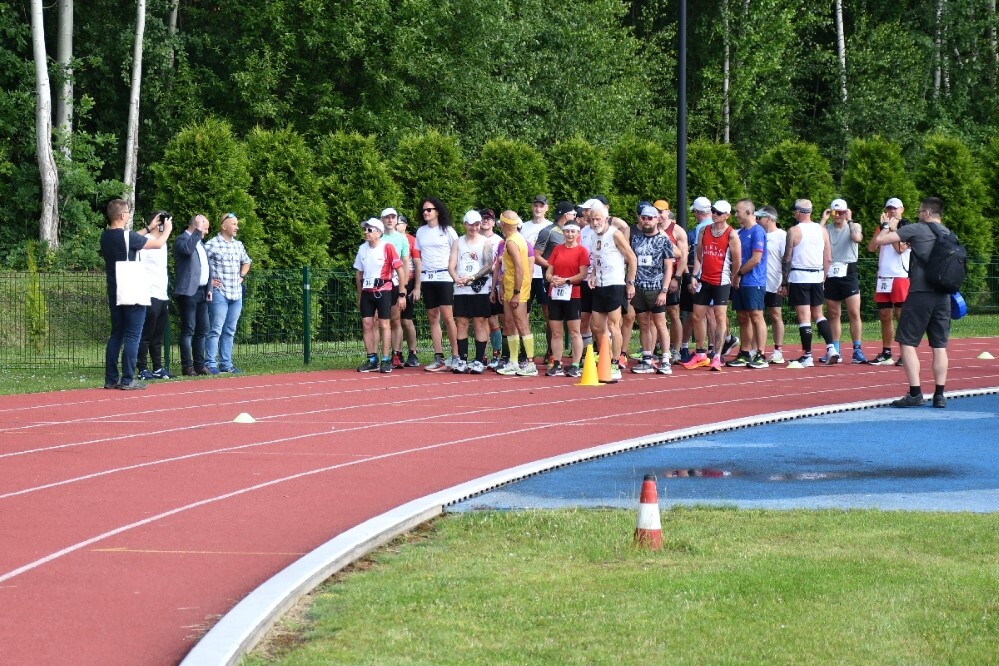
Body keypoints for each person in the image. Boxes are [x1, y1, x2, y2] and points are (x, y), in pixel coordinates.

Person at [873, 197, 952, 408]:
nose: (917, 214)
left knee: (907, 342)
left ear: (927, 213)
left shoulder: (918, 229)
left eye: (919, 211)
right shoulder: (949, 233)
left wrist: (887, 226)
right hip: (943, 295)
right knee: (939, 346)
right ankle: (940, 395)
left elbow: (880, 241)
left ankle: (915, 393)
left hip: (920, 293)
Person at [100, 199, 172, 390]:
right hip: (132, 288)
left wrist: (149, 228)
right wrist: (167, 230)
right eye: (128, 213)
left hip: (115, 289)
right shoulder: (126, 237)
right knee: (133, 335)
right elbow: (157, 244)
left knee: (116, 334)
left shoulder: (106, 236)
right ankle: (127, 379)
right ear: (123, 216)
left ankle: (111, 378)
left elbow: (130, 238)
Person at [681, 200, 742, 371]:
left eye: (719, 212)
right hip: (705, 279)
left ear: (727, 216)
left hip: (721, 281)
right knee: (696, 316)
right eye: (713, 211)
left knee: (719, 317)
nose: (715, 214)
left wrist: (733, 278)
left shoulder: (731, 235)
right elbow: (699, 256)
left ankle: (716, 355)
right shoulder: (704, 230)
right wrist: (695, 276)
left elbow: (737, 261)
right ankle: (700, 353)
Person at [779, 199, 834, 368]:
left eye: (795, 211)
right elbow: (828, 258)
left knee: (804, 318)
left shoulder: (794, 231)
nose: (794, 214)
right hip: (817, 276)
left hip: (800, 277)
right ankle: (831, 348)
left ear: (800, 212)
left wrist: (784, 282)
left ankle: (808, 355)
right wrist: (823, 278)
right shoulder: (822, 230)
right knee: (819, 314)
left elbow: (787, 258)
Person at [586, 202, 637, 381]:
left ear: (606, 218)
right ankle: (605, 359)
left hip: (615, 284)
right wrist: (592, 274)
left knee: (614, 326)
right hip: (599, 285)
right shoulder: (593, 236)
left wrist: (630, 283)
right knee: (597, 326)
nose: (595, 222)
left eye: (598, 219)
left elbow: (632, 258)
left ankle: (616, 362)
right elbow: (596, 259)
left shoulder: (615, 234)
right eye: (592, 219)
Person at [354, 218, 406, 373]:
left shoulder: (387, 247)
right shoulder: (362, 248)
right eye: (365, 230)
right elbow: (359, 273)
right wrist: (359, 295)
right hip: (367, 292)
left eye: (370, 230)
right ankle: (372, 359)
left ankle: (385, 359)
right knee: (367, 324)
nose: (366, 232)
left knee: (384, 324)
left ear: (378, 232)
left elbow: (400, 271)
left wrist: (402, 293)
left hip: (384, 290)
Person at [819, 198, 866, 364]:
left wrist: (850, 219)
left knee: (854, 312)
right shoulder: (827, 229)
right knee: (833, 314)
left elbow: (857, 238)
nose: (837, 215)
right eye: (834, 212)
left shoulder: (853, 226)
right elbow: (815, 237)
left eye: (840, 212)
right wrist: (824, 219)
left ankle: (857, 350)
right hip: (832, 271)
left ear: (846, 212)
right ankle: (835, 349)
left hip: (848, 271)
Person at [415, 197, 460, 371]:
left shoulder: (448, 231)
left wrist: (455, 274)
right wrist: (418, 285)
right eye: (424, 210)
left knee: (448, 317)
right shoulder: (420, 232)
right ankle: (439, 356)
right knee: (433, 318)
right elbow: (418, 259)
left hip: (444, 278)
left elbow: (456, 253)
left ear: (437, 211)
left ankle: (456, 355)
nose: (426, 213)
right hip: (428, 279)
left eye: (429, 210)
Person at [629, 203, 674, 375]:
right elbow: (632, 262)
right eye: (644, 218)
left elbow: (668, 267)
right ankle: (647, 358)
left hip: (656, 287)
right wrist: (630, 283)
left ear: (657, 219)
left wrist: (664, 290)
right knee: (643, 324)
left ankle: (665, 360)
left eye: (650, 218)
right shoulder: (636, 239)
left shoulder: (664, 240)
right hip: (639, 287)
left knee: (660, 324)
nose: (646, 221)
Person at [205, 211, 252, 375]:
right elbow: (199, 264)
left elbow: (247, 262)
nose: (237, 227)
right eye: (234, 224)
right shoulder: (212, 244)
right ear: (223, 226)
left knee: (230, 330)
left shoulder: (238, 245)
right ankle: (210, 363)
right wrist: (209, 281)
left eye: (237, 224)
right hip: (220, 293)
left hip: (236, 294)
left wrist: (241, 276)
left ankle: (226, 363)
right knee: (216, 329)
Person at [448, 210, 494, 374]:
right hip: (461, 288)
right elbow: (451, 265)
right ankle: (462, 359)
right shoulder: (458, 242)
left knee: (480, 323)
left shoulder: (485, 242)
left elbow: (489, 265)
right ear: (465, 224)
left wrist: (472, 278)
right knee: (461, 323)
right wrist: (456, 278)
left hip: (479, 289)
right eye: (470, 224)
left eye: (476, 224)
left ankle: (479, 360)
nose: (474, 227)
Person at [866, 197, 911, 366]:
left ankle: (905, 352)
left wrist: (892, 231)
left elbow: (900, 249)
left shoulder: (906, 227)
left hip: (899, 276)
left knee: (901, 315)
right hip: (883, 277)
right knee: (885, 315)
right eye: (889, 209)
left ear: (902, 210)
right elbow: (871, 248)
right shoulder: (882, 228)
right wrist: (884, 228)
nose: (891, 212)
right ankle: (886, 352)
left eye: (895, 209)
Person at [544, 216, 590, 377]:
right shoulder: (557, 249)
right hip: (555, 294)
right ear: (563, 233)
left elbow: (583, 273)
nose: (570, 234)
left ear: (577, 233)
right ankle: (556, 362)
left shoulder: (582, 251)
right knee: (556, 332)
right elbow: (549, 269)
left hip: (573, 295)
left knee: (574, 331)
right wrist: (551, 278)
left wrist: (567, 280)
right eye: (567, 231)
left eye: (573, 231)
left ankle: (575, 364)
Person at [494, 211, 538, 376]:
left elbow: (520, 268)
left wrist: (517, 293)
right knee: (510, 324)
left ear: (504, 224)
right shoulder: (517, 239)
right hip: (511, 286)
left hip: (516, 288)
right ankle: (513, 361)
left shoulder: (512, 242)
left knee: (521, 324)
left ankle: (531, 364)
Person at [726, 199, 769, 369]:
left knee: (756, 316)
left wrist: (739, 274)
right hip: (740, 282)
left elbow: (756, 258)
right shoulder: (740, 233)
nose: (736, 214)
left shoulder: (758, 231)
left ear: (748, 213)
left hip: (754, 281)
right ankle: (745, 352)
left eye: (738, 211)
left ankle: (761, 353)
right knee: (743, 317)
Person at [136, 210, 173, 380]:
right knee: (146, 334)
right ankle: (142, 367)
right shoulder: (147, 241)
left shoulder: (162, 242)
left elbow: (161, 243)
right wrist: (163, 229)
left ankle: (158, 367)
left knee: (157, 335)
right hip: (148, 293)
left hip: (161, 293)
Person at [173, 213, 212, 377]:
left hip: (202, 292)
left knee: (202, 329)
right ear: (196, 225)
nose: (206, 231)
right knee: (189, 329)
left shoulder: (201, 244)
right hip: (188, 292)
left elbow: (207, 268)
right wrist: (197, 230)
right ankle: (187, 366)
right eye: (205, 227)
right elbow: (187, 251)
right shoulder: (182, 240)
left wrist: (209, 287)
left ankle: (199, 365)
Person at [523, 195, 553, 361]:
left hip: (543, 275)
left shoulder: (551, 227)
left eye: (541, 206)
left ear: (546, 208)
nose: (538, 209)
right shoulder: (524, 227)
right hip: (527, 276)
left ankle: (550, 351)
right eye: (535, 205)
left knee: (548, 313)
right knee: (523, 314)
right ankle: (526, 352)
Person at [656, 201, 687, 364]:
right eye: (657, 212)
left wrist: (677, 278)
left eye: (662, 212)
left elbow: (683, 255)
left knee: (673, 313)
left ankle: (676, 349)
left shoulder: (676, 230)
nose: (659, 215)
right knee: (653, 314)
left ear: (668, 212)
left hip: (671, 274)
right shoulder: (651, 227)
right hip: (653, 276)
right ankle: (655, 348)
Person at [379, 207, 410, 369]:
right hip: (380, 284)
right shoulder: (377, 236)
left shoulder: (402, 239)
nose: (390, 220)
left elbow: (405, 264)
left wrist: (403, 291)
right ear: (382, 220)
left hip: (396, 284)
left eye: (393, 217)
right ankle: (377, 356)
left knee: (396, 319)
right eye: (387, 217)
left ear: (397, 219)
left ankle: (396, 354)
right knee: (380, 320)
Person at [757, 206, 787, 364]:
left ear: (769, 218)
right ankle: (757, 348)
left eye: (760, 217)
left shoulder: (782, 236)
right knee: (756, 316)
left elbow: (786, 259)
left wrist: (784, 283)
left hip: (774, 282)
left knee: (775, 315)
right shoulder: (758, 233)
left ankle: (778, 350)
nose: (757, 220)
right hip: (757, 282)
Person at [479, 208, 505, 367]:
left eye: (489, 219)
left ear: (494, 222)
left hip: (493, 284)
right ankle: (481, 355)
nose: (485, 221)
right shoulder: (473, 239)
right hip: (477, 285)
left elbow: (502, 265)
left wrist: (498, 284)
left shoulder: (499, 241)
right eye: (483, 218)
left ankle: (497, 353)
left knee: (495, 321)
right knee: (480, 321)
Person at [394, 214, 422, 367]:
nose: (396, 226)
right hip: (393, 283)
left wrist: (417, 287)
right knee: (395, 320)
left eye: (399, 223)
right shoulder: (388, 239)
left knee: (406, 320)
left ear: (405, 225)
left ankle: (413, 353)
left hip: (409, 282)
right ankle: (396, 354)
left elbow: (417, 264)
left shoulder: (412, 240)